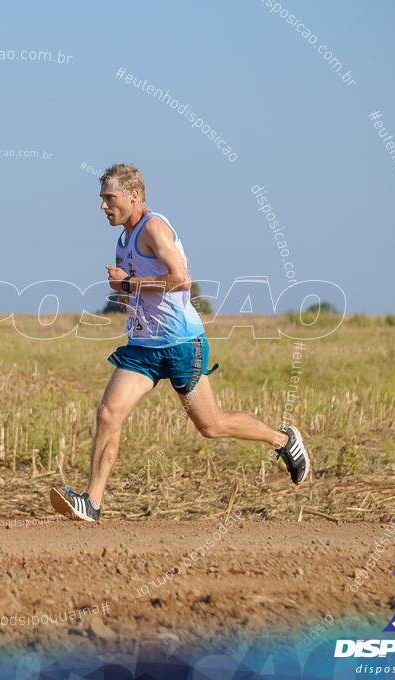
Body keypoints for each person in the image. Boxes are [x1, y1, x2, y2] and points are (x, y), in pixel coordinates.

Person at [50, 164, 309, 522]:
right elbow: (143, 285)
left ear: (133, 196)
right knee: (109, 414)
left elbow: (182, 279)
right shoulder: (123, 241)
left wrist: (128, 285)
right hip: (142, 347)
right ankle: (91, 503)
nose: (103, 206)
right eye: (102, 199)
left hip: (180, 344)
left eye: (109, 198)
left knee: (211, 426)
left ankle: (283, 440)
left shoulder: (153, 227)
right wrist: (126, 295)